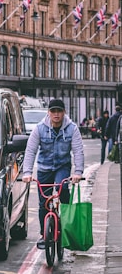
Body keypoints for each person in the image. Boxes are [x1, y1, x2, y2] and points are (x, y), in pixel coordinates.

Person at [22, 98, 84, 249]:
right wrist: (27, 172)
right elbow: (30, 151)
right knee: (44, 203)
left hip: (62, 167)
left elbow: (78, 150)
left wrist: (78, 172)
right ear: (48, 113)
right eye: (53, 111)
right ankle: (44, 235)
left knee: (62, 189)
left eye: (59, 111)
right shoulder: (39, 128)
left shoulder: (72, 128)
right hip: (44, 168)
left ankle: (66, 221)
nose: (56, 114)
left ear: (64, 112)